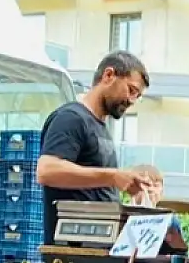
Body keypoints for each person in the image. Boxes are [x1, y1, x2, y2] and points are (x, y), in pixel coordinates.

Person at [35, 51, 160, 243]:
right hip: (72, 251)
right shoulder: (71, 118)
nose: (132, 100)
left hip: (99, 247)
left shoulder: (100, 127)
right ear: (109, 75)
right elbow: (47, 171)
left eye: (138, 96)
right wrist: (113, 176)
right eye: (131, 90)